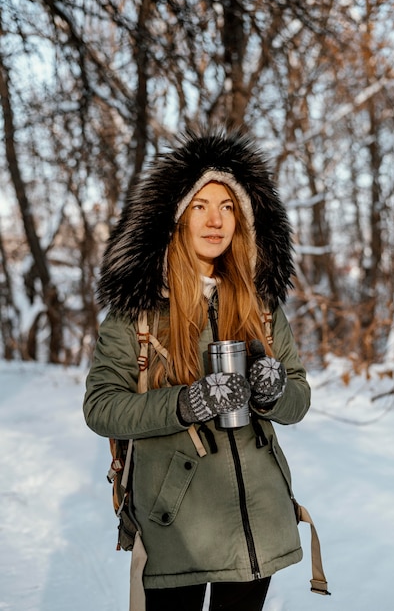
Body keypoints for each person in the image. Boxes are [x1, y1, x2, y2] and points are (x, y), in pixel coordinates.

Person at [83, 128, 311, 611]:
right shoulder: (139, 309)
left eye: (227, 206)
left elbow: (299, 397)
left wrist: (274, 393)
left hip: (257, 526)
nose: (215, 220)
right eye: (201, 205)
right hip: (175, 527)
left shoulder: (261, 305)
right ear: (177, 216)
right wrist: (188, 403)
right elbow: (101, 407)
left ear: (244, 219)